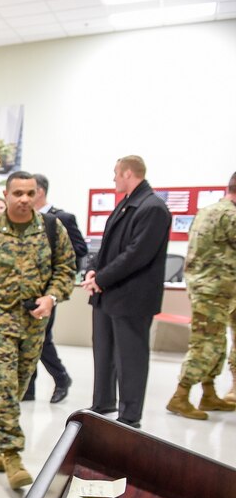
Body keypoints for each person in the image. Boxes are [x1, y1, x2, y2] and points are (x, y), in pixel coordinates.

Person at [0, 171, 76, 489]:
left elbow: (66, 268)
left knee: (14, 387)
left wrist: (52, 297)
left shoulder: (51, 229)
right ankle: (12, 453)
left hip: (34, 321)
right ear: (6, 194)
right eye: (18, 193)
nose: (24, 199)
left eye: (30, 193)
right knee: (3, 386)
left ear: (37, 195)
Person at [83, 155, 172, 429]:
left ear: (128, 173)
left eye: (116, 173)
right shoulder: (126, 205)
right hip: (109, 294)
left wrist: (102, 278)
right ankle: (103, 403)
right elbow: (108, 245)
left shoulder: (152, 208)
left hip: (131, 298)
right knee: (104, 352)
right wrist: (93, 270)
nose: (113, 178)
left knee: (130, 359)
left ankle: (130, 415)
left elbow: (136, 255)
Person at [165, 171, 236, 420]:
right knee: (207, 344)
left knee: (216, 342)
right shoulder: (231, 215)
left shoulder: (207, 211)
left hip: (208, 288)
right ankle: (180, 396)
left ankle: (208, 393)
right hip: (215, 290)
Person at [23, 173, 89, 403]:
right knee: (27, 336)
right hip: (23, 290)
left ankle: (61, 378)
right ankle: (28, 389)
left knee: (42, 338)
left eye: (29, 191)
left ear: (39, 191)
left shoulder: (60, 219)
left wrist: (56, 278)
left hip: (48, 290)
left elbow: (79, 251)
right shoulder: (22, 219)